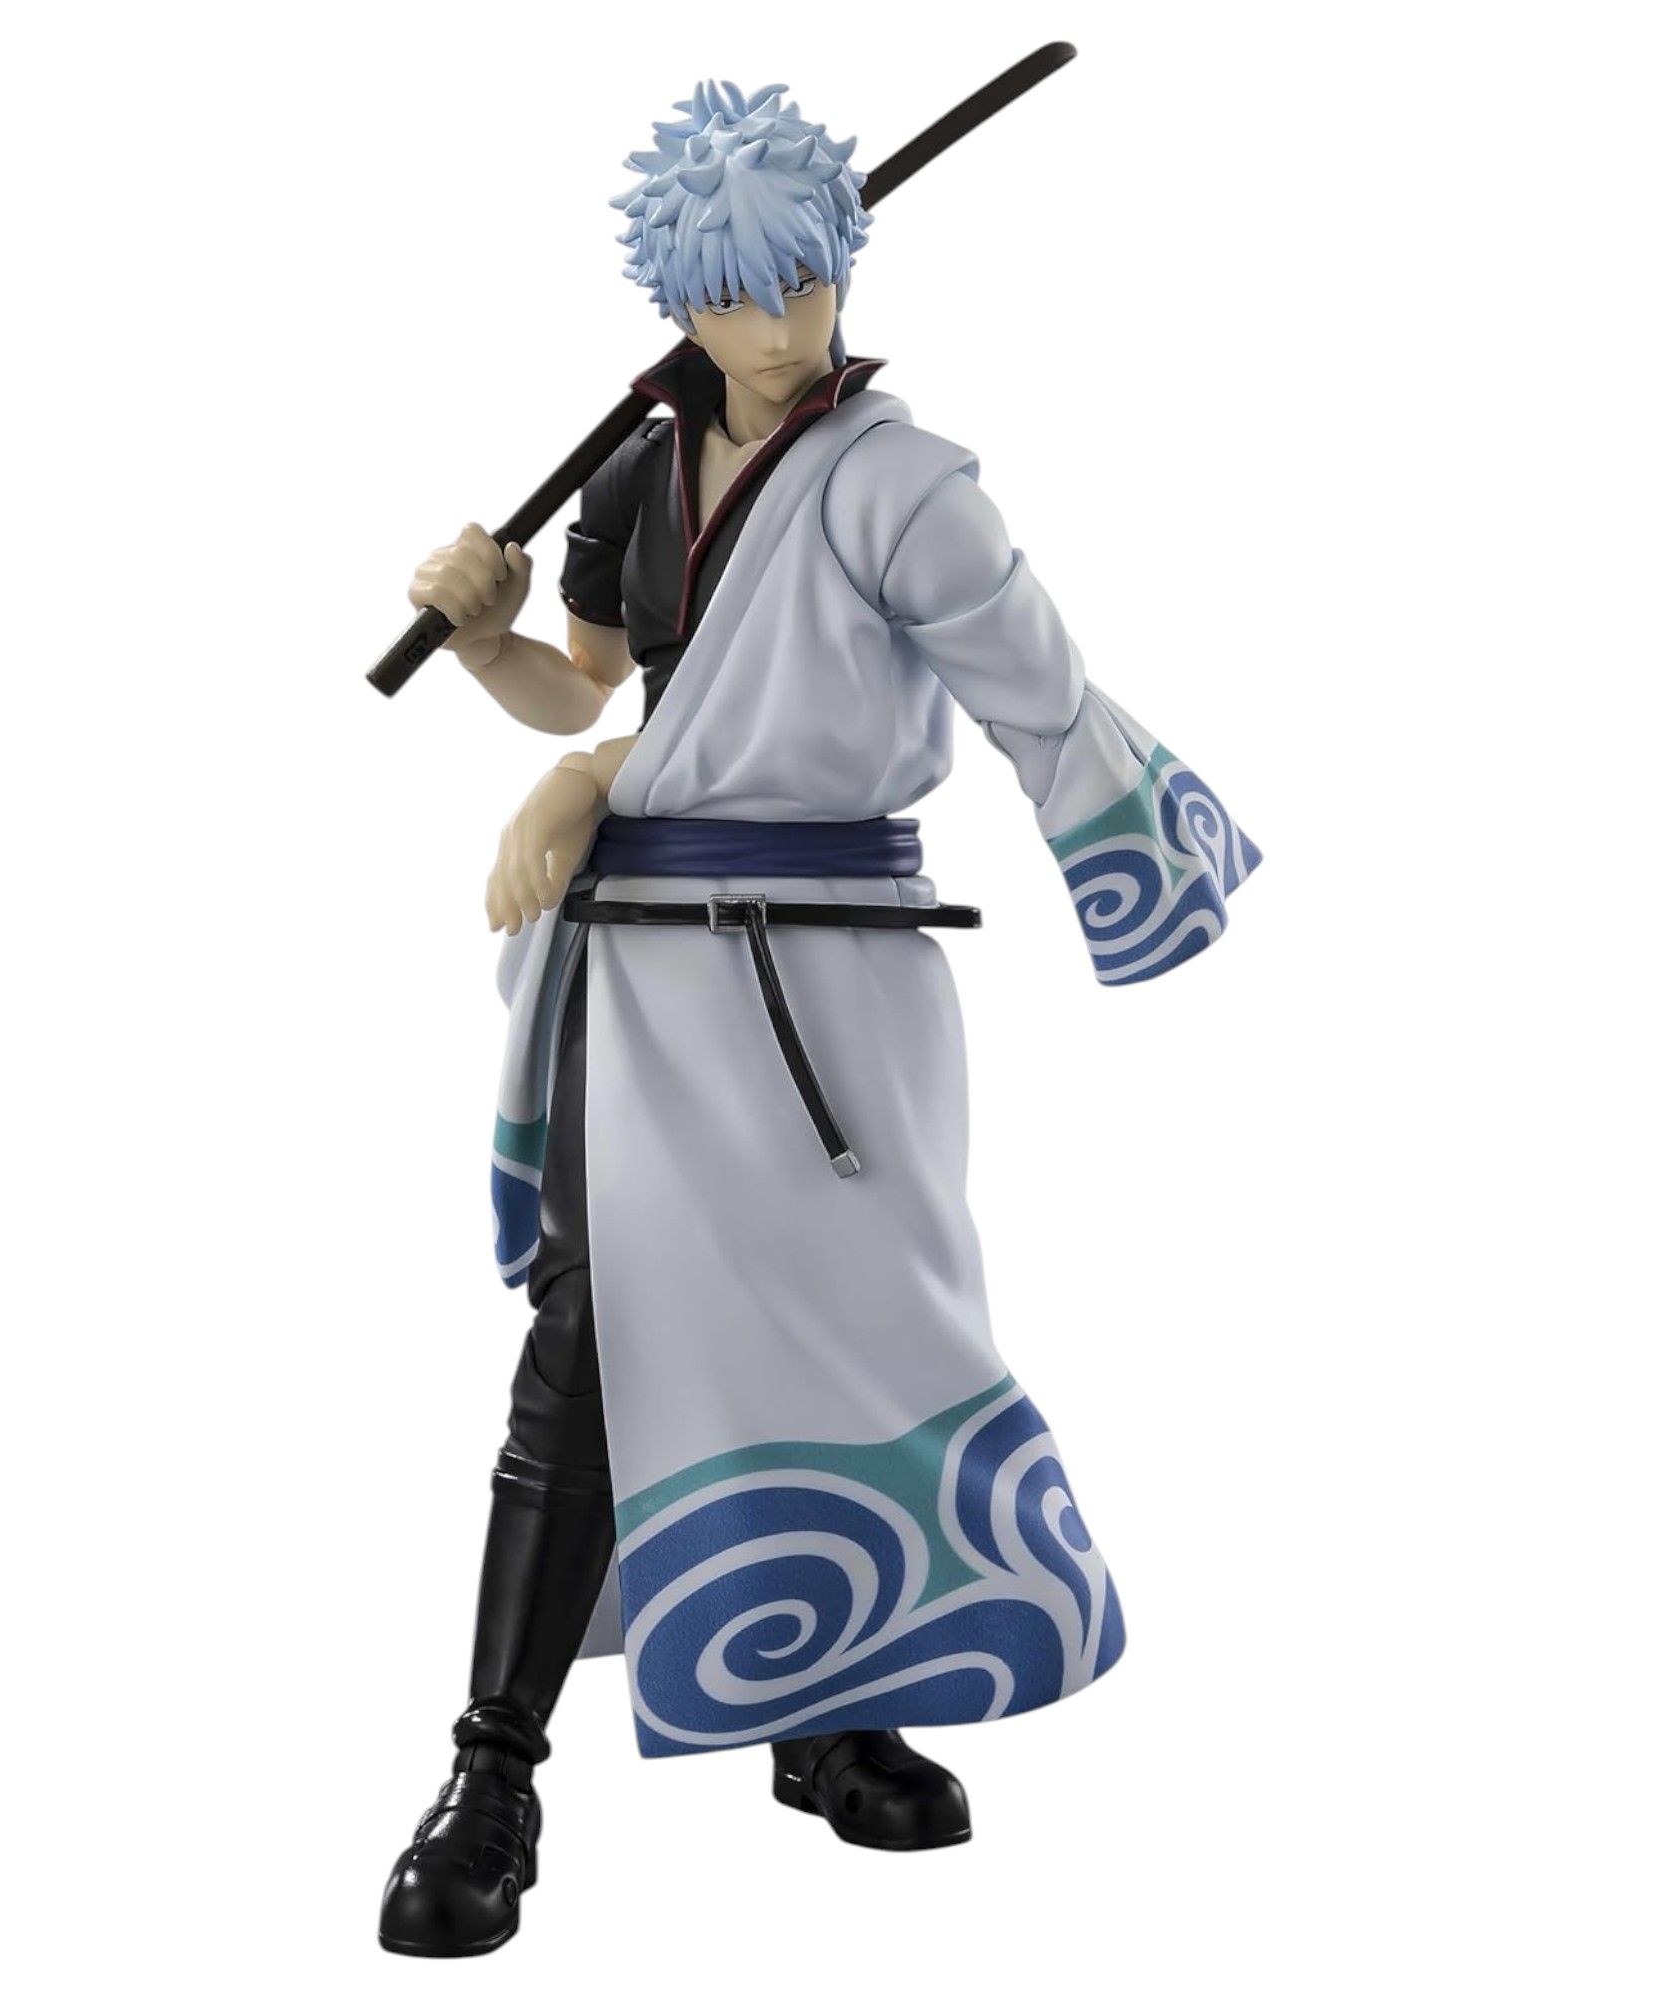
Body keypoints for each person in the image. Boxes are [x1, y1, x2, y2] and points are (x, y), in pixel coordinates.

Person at [377, 78, 1260, 1959]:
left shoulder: (900, 482)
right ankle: (493, 1768)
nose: (784, 324)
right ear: (681, 300)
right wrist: (489, 641)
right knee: (595, 1335)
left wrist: (1134, 846)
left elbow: (1032, 678)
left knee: (863, 1319)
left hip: (838, 970)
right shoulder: (640, 470)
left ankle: (834, 1700)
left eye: (808, 279)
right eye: (742, 292)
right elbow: (591, 686)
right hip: (647, 975)